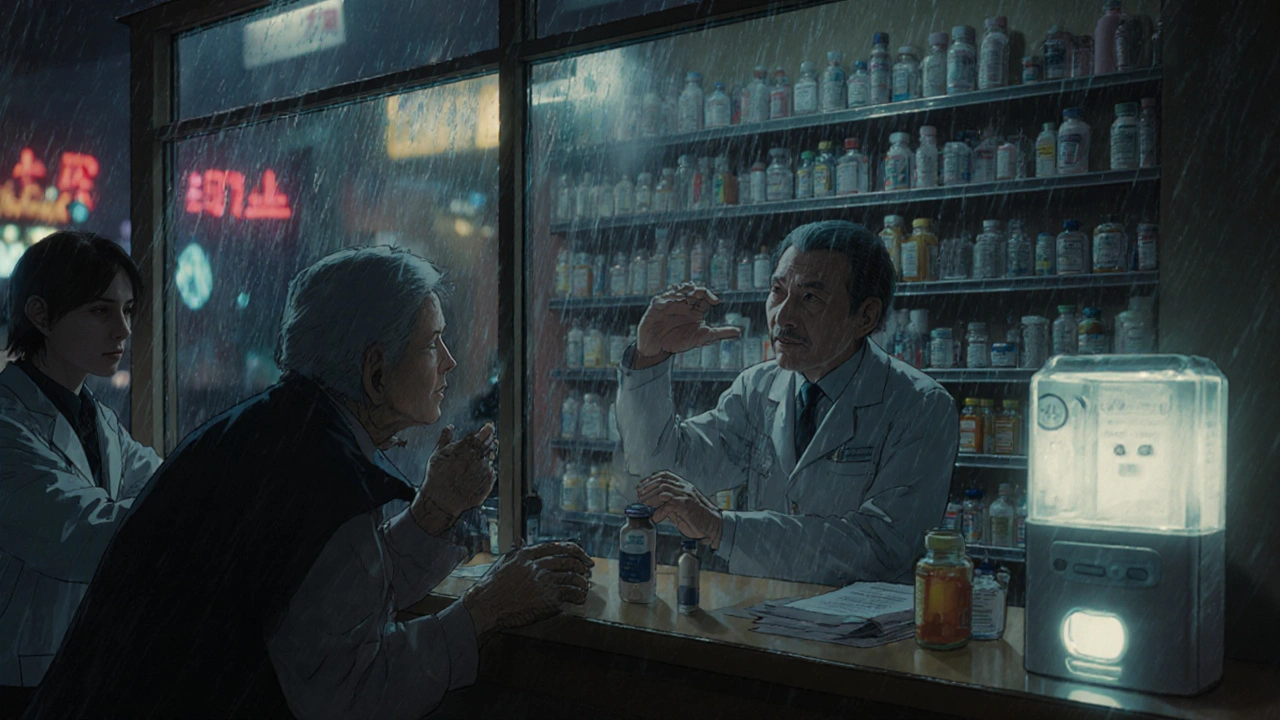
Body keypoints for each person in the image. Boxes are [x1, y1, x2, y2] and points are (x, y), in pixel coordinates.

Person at [25, 246, 592, 719]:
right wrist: (486, 609)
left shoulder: (285, 430)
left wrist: (435, 511)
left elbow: (334, 594)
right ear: (374, 373)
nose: (448, 362)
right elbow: (349, 696)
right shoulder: (319, 472)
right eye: (431, 343)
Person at [615, 220, 958, 587]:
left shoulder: (921, 406)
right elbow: (659, 472)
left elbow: (880, 549)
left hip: (862, 637)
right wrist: (651, 356)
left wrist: (723, 529)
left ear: (865, 316)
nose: (784, 316)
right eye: (778, 292)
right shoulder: (757, 389)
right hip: (757, 618)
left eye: (810, 298)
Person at [0, 231, 161, 708]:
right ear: (40, 315)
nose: (123, 330)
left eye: (128, 310)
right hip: (18, 682)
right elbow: (85, 535)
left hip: (78, 671)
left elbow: (168, 485)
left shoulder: (98, 419)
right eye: (100, 310)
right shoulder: (6, 426)